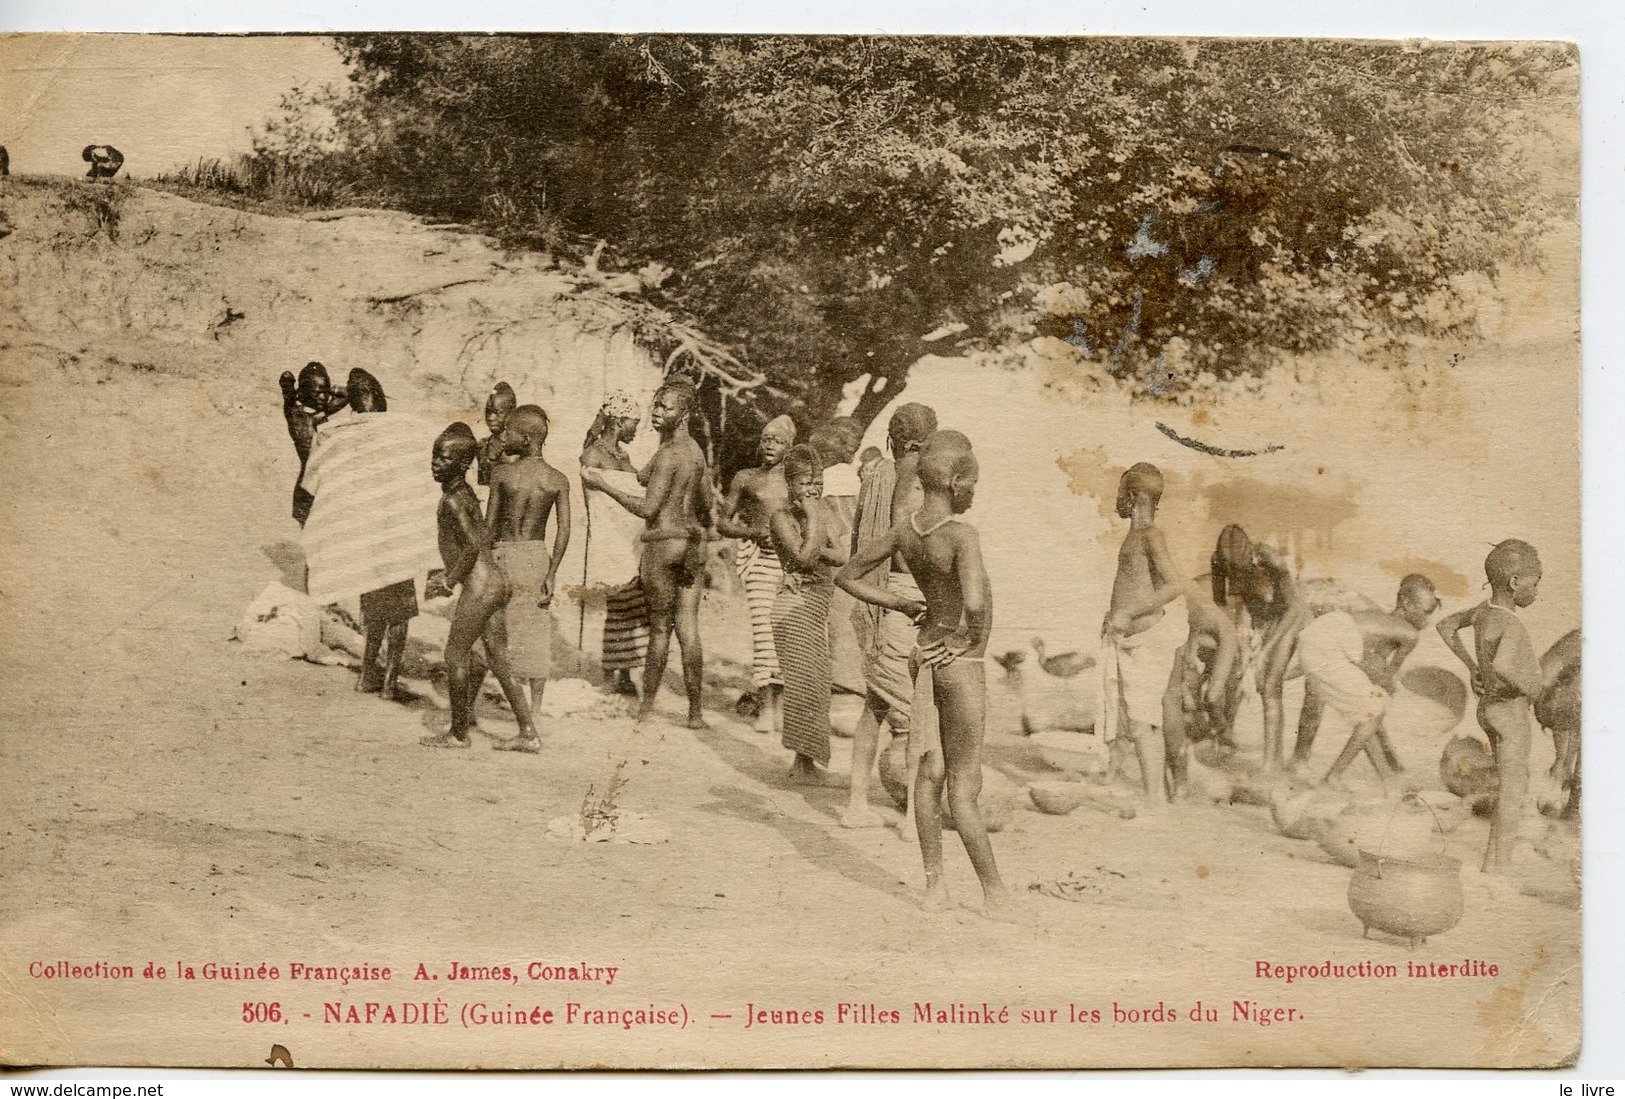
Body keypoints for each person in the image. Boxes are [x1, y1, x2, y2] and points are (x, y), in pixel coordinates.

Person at [839, 430, 1013, 918]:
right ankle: (996, 895)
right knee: (964, 785)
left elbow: (846, 576)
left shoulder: (905, 534)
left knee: (929, 772)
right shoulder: (961, 535)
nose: (974, 492)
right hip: (962, 665)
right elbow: (975, 603)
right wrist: (961, 640)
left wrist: (899, 602)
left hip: (923, 656)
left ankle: (935, 888)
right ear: (958, 481)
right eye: (973, 482)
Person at [582, 379, 714, 728]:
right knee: (689, 629)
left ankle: (646, 709)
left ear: (683, 413)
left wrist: (603, 485)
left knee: (659, 630)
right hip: (692, 543)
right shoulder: (695, 453)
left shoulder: (667, 453)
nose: (656, 413)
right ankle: (695, 713)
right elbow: (704, 502)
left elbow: (646, 507)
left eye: (665, 408)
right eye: (655, 406)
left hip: (663, 543)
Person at [842, 403, 937, 831]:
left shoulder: (875, 474)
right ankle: (914, 819)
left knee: (874, 707)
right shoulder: (918, 476)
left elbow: (857, 541)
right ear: (921, 442)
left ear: (891, 439)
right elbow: (907, 540)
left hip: (872, 593)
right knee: (917, 710)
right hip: (905, 596)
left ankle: (856, 803)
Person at [421, 424, 540, 749]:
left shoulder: (452, 501)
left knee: (455, 653)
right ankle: (528, 734)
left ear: (461, 465)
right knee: (499, 659)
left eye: (443, 459)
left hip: (482, 585)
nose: (435, 463)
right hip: (497, 580)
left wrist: (448, 580)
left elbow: (473, 545)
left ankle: (458, 734)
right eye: (434, 456)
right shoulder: (466, 494)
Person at [471, 404, 572, 749]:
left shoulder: (503, 475)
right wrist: (554, 571)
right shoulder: (557, 479)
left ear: (526, 439)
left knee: (488, 631)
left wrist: (479, 563)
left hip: (505, 554)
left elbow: (488, 528)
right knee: (534, 633)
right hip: (536, 558)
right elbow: (563, 531)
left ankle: (468, 708)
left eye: (509, 433)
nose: (502, 437)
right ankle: (536, 712)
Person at [1437, 541, 1542, 871]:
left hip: (1488, 709)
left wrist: (1472, 667)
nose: (1537, 589)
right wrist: (1534, 689)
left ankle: (1490, 865)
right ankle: (1500, 870)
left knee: (1505, 788)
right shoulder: (1511, 624)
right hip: (1510, 713)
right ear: (1514, 583)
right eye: (1535, 581)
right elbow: (1505, 667)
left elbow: (1445, 626)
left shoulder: (1482, 612)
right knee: (1513, 792)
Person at [1304, 574, 1440, 794]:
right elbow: (1386, 679)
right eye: (1425, 612)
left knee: (1368, 712)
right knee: (1373, 710)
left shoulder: (1380, 618)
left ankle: (1387, 777)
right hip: (1328, 646)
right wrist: (1395, 690)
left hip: (1316, 638)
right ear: (1405, 603)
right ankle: (1333, 776)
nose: (1427, 621)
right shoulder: (1409, 634)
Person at [1100, 463, 1185, 805]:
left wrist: (1127, 612)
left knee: (1143, 722)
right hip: (1132, 640)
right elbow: (1133, 586)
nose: (1116, 501)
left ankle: (1155, 802)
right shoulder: (1135, 536)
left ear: (1133, 496)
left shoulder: (1150, 536)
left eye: (1120, 494)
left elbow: (1175, 585)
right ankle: (1156, 797)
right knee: (1139, 719)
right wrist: (1113, 614)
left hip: (1146, 641)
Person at [769, 445, 850, 784]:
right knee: (804, 685)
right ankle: (802, 766)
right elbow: (802, 559)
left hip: (814, 605)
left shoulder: (823, 513)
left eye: (817, 481)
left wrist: (816, 531)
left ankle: (807, 763)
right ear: (790, 484)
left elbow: (840, 555)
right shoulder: (781, 517)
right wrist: (815, 520)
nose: (813, 488)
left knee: (817, 685)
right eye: (805, 482)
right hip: (793, 607)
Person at [716, 415, 796, 732]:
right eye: (766, 438)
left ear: (790, 446)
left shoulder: (797, 481)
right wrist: (749, 531)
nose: (770, 445)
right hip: (760, 561)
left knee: (787, 633)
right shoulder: (746, 478)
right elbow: (723, 522)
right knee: (764, 633)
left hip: (792, 562)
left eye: (777, 440)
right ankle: (765, 708)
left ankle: (782, 707)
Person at [1209, 524, 1312, 768]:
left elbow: (1296, 606)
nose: (1235, 572)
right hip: (1258, 620)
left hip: (1289, 617)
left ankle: (1270, 764)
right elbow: (1224, 605)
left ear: (1249, 554)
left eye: (1240, 566)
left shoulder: (1269, 559)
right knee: (1236, 674)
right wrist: (1241, 639)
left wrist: (1266, 649)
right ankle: (1226, 742)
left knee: (1269, 686)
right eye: (1231, 569)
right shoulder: (1218, 561)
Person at [344, 370, 418, 699]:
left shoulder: (351, 442)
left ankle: (366, 674)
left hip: (369, 538)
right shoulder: (394, 439)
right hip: (395, 536)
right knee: (399, 612)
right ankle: (389, 682)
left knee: (373, 610)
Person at [580, 391, 648, 698]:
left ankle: (624, 673)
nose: (636, 429)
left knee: (631, 606)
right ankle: (610, 675)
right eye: (634, 423)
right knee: (618, 607)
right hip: (609, 542)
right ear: (620, 421)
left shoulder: (623, 456)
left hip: (629, 539)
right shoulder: (594, 456)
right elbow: (597, 501)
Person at [810, 422, 865, 699]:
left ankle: (841, 692)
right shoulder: (858, 479)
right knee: (849, 626)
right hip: (858, 560)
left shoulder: (830, 479)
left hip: (833, 560)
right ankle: (851, 689)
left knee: (834, 625)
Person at [278, 362, 348, 526]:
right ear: (305, 393)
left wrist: (325, 390)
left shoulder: (321, 413)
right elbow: (288, 394)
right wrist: (288, 385)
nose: (323, 398)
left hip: (321, 480)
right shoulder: (296, 414)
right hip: (308, 482)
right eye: (318, 394)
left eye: (326, 393)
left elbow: (346, 395)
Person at [477, 382, 518, 488]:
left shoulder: (515, 449)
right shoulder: (482, 445)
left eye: (497, 412)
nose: (490, 417)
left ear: (511, 414)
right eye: (488, 412)